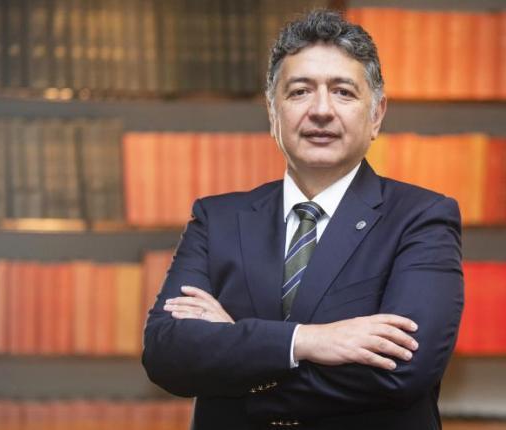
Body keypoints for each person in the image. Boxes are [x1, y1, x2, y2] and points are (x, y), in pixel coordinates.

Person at [142, 9, 463, 430]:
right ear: (272, 112)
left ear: (376, 114)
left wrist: (238, 353)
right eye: (300, 92)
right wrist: (307, 340)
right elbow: (166, 352)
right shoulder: (216, 219)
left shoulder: (421, 218)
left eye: (343, 92)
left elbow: (402, 371)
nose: (321, 110)